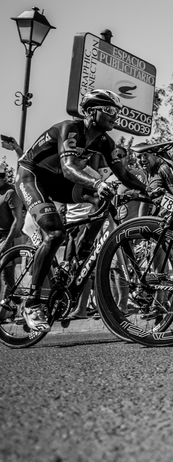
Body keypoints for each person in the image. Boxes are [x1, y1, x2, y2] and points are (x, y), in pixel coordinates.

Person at [13, 89, 148, 332]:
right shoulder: (70, 128)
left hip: (59, 182)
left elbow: (124, 174)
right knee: (55, 234)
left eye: (116, 111)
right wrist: (97, 182)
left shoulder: (105, 141)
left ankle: (81, 254)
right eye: (108, 110)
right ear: (90, 112)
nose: (113, 116)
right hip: (33, 177)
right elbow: (68, 168)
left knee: (101, 201)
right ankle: (32, 303)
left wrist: (151, 191)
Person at [0, 160, 23, 256]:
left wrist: (7, 243)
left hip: (9, 239)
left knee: (6, 271)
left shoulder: (10, 192)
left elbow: (18, 220)